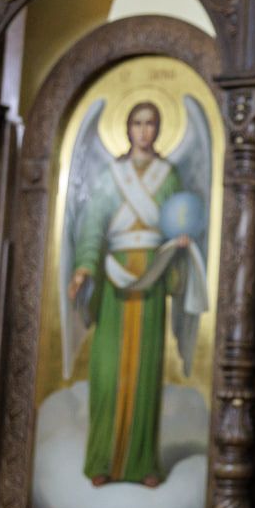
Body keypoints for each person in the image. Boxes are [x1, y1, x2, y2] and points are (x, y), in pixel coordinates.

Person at [67, 102, 195, 487]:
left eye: (150, 123)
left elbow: (179, 219)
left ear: (158, 129)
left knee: (144, 373)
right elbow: (93, 224)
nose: (143, 130)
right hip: (114, 278)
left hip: (152, 275)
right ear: (127, 128)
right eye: (137, 123)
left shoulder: (168, 176)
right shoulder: (112, 175)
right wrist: (83, 267)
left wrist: (180, 244)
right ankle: (101, 460)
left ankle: (143, 464)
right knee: (108, 372)